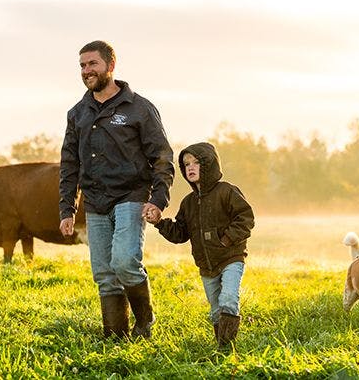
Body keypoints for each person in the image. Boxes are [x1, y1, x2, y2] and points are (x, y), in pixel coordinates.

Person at [59, 40, 174, 339]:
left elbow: (162, 156)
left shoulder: (139, 108)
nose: (86, 71)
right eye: (82, 66)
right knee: (104, 275)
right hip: (95, 202)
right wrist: (67, 209)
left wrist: (159, 198)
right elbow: (69, 164)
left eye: (92, 64)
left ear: (111, 65)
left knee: (124, 261)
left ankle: (145, 321)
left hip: (130, 196)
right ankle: (115, 335)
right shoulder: (77, 113)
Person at [145, 142, 254, 347]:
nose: (191, 167)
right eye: (186, 164)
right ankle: (221, 347)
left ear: (209, 165)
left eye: (196, 162)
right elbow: (180, 233)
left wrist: (226, 240)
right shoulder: (188, 202)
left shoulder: (227, 191)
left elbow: (246, 218)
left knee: (228, 299)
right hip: (206, 265)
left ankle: (227, 348)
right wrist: (159, 222)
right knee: (215, 311)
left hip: (231, 258)